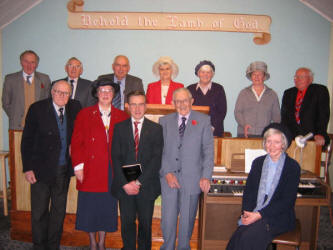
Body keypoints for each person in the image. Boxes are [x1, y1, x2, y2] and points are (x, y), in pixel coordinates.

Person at [21, 80, 81, 250]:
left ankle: (53, 246)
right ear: (51, 92)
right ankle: (39, 246)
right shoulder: (37, 109)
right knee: (39, 212)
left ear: (70, 95)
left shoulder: (75, 108)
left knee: (58, 212)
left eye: (66, 93)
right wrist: (28, 167)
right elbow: (27, 140)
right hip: (40, 170)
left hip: (63, 169)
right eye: (58, 92)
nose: (62, 96)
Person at [70, 79, 129, 250]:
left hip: (111, 170)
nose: (105, 94)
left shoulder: (121, 115)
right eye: (102, 90)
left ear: (114, 94)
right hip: (89, 168)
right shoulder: (84, 114)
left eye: (109, 90)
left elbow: (126, 147)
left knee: (106, 206)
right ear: (96, 93)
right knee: (89, 207)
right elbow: (77, 142)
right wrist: (78, 167)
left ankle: (102, 241)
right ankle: (92, 242)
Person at [226, 123, 300, 250]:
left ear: (283, 144)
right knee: (237, 237)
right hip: (256, 210)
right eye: (268, 141)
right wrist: (246, 213)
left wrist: (259, 215)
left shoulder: (292, 167)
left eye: (276, 142)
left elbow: (287, 202)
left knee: (248, 237)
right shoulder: (258, 162)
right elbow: (249, 192)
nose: (271, 146)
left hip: (279, 216)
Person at [159, 88, 214, 250]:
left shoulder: (203, 120)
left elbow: (208, 152)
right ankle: (167, 247)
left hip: (193, 178)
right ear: (172, 103)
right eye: (178, 101)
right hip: (169, 178)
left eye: (185, 100)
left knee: (187, 220)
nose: (182, 104)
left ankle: (184, 247)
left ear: (191, 101)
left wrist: (206, 176)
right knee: (167, 219)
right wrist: (166, 172)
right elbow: (158, 151)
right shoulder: (164, 121)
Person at [111, 91, 163, 250]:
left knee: (145, 224)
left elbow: (156, 160)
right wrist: (127, 183)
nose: (137, 108)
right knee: (127, 223)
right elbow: (115, 157)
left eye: (141, 104)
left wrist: (139, 182)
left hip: (146, 186)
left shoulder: (156, 129)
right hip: (124, 186)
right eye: (133, 104)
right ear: (128, 106)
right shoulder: (119, 128)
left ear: (146, 106)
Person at [2, 50, 51, 130]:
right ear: (21, 62)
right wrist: (15, 115)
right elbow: (5, 103)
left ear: (36, 64)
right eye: (26, 61)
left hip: (39, 126)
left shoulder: (44, 79)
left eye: (32, 62)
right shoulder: (10, 79)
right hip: (17, 127)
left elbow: (48, 102)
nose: (29, 65)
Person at [281, 67, 330, 146]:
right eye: (296, 77)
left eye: (302, 77)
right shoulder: (288, 93)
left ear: (310, 79)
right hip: (292, 139)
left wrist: (320, 134)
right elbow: (284, 118)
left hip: (313, 138)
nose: (298, 79)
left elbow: (323, 115)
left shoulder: (320, 91)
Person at [234, 61, 280, 138]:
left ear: (264, 77)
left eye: (260, 74)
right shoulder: (243, 93)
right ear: (251, 77)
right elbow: (237, 112)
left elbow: (277, 116)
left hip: (265, 136)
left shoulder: (272, 95)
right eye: (254, 74)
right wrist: (244, 124)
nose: (256, 77)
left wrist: (273, 132)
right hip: (245, 134)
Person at [187, 60, 227, 137]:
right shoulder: (189, 89)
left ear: (212, 74)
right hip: (194, 131)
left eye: (208, 72)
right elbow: (186, 110)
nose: (205, 75)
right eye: (202, 72)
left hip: (214, 132)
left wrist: (212, 127)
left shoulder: (219, 89)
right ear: (198, 74)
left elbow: (222, 111)